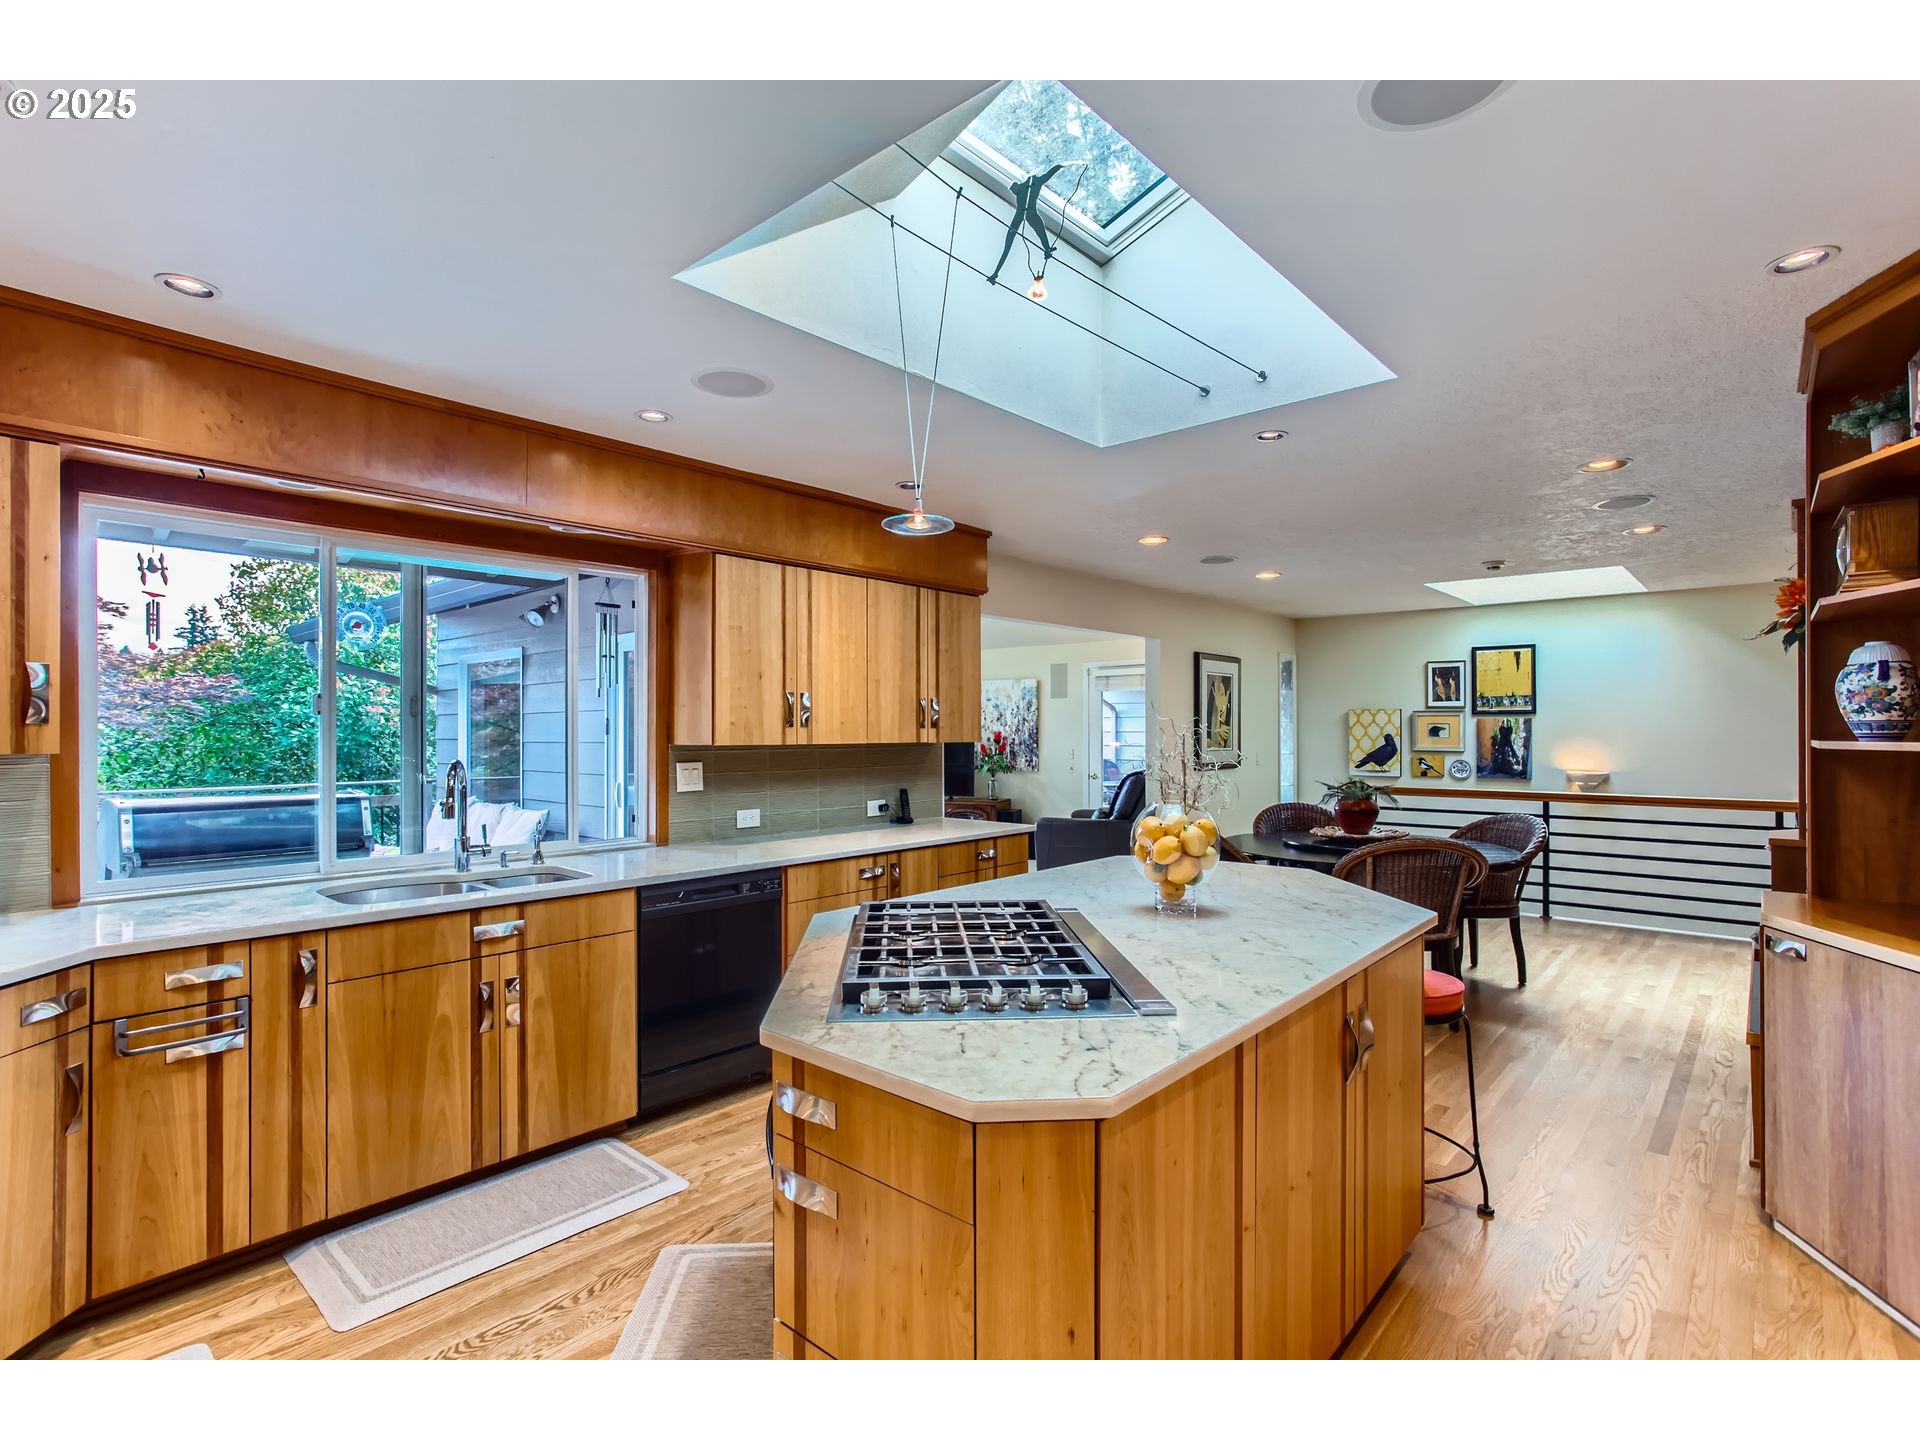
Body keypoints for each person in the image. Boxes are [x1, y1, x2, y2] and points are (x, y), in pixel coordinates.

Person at [986, 164, 1063, 288]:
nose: (1013, 192)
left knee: (1039, 231)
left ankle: (1047, 248)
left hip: (1029, 213)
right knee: (1008, 245)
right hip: (1025, 214)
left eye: (1013, 190)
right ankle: (995, 273)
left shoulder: (1033, 183)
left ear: (1016, 186)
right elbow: (1050, 172)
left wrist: (1060, 166)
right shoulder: (1026, 190)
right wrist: (1059, 166)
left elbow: (1050, 172)